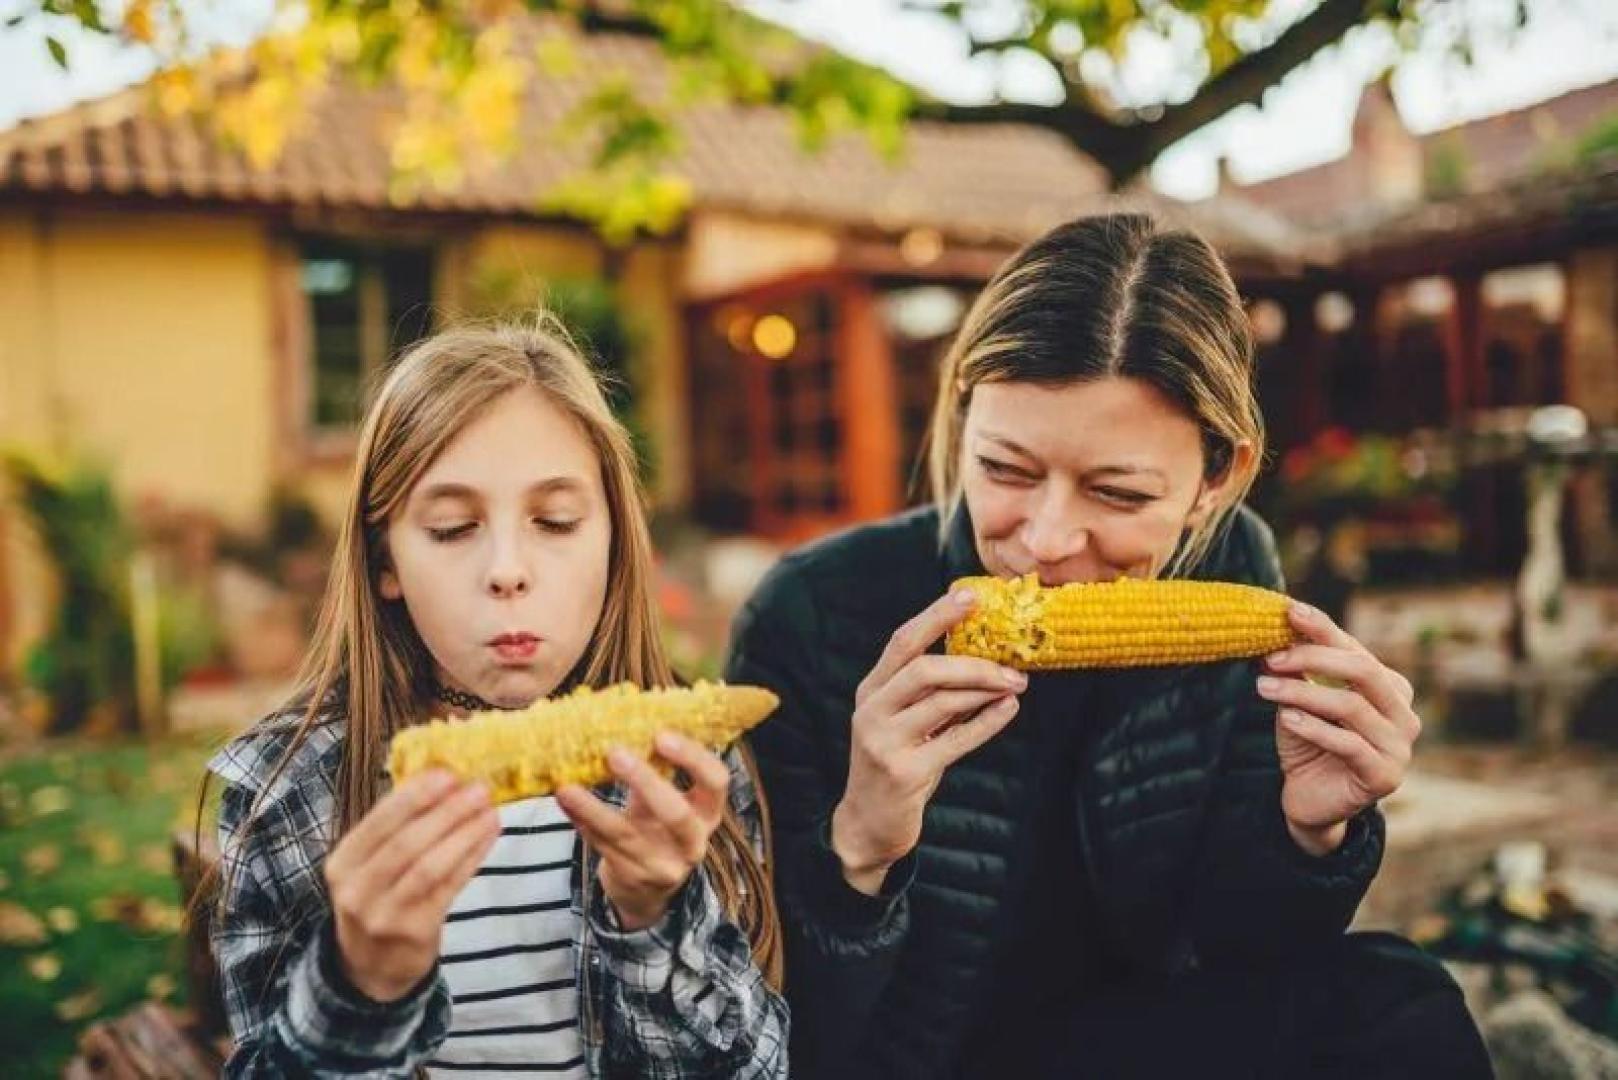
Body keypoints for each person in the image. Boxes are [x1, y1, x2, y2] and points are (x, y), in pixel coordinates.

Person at [726, 213, 1492, 1079]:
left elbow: (1250, 954)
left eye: (1117, 493)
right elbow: (760, 1019)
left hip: (1126, 1038)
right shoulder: (812, 613)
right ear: (962, 425)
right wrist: (860, 844)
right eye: (1006, 471)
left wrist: (1308, 831)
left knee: (1400, 994)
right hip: (919, 1060)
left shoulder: (1238, 564)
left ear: (1217, 480)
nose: (1049, 540)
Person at [206, 321, 788, 1077]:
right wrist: (359, 989)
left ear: (615, 541)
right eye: (452, 529)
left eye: (555, 522)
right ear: (387, 563)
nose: (508, 570)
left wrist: (655, 918)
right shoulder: (287, 790)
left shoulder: (688, 772)